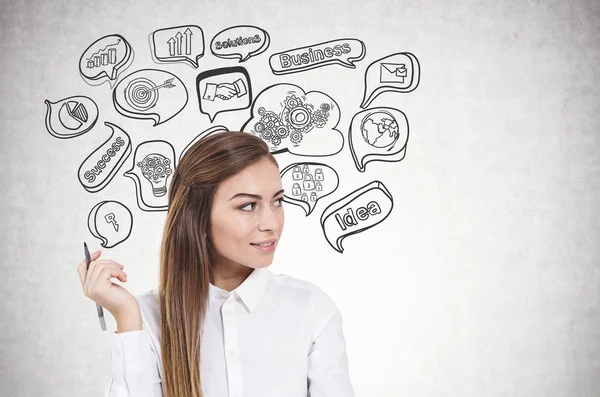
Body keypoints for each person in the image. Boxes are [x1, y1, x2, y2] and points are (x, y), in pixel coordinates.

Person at [77, 131, 355, 397]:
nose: (271, 223)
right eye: (248, 206)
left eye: (277, 202)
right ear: (197, 217)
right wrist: (126, 316)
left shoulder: (311, 308)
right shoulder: (146, 318)